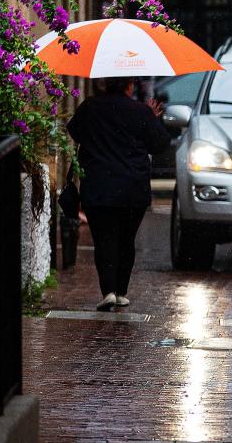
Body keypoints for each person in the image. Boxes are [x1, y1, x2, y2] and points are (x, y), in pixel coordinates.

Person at [67, 77, 170, 311]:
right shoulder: (141, 112)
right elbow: (160, 144)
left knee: (104, 239)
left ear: (105, 84)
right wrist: (152, 120)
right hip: (133, 187)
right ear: (130, 86)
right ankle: (122, 291)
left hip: (98, 185)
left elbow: (74, 131)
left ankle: (109, 291)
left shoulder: (90, 107)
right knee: (126, 239)